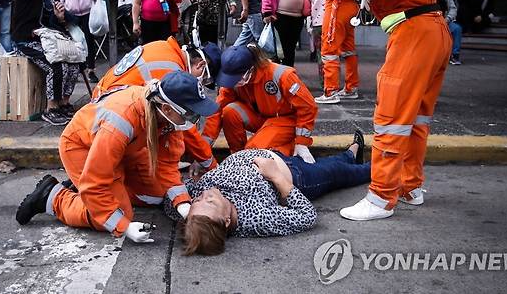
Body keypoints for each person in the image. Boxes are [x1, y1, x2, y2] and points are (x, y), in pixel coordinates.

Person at [339, 0, 451, 221]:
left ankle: (380, 197)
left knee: (391, 117)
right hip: (431, 33)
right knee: (415, 120)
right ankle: (408, 186)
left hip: (414, 35)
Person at [15, 71, 219, 244]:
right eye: (191, 113)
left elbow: (166, 165)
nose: (193, 119)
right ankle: (52, 197)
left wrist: (183, 205)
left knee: (156, 194)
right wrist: (124, 226)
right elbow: (95, 180)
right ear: (167, 109)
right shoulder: (122, 120)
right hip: (81, 148)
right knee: (118, 213)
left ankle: (102, 188)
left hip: (122, 150)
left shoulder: (167, 117)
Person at [170, 131, 369, 255]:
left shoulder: (196, 209)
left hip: (271, 154)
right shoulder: (257, 220)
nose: (206, 195)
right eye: (210, 203)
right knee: (342, 173)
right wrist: (276, 177)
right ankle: (382, 162)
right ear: (226, 220)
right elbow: (307, 216)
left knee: (332, 165)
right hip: (295, 175)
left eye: (197, 200)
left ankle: (350, 154)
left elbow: (169, 196)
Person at [93, 37, 223, 171]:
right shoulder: (171, 71)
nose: (200, 85)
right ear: (200, 65)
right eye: (205, 81)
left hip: (104, 102)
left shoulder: (165, 49)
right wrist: (209, 163)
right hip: (109, 116)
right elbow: (184, 126)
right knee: (172, 125)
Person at [11, 0, 88, 126]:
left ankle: (64, 104)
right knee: (56, 64)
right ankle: (51, 108)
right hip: (26, 41)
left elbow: (64, 22)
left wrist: (60, 18)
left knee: (73, 63)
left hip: (45, 37)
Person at [202, 44, 318, 162]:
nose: (234, 83)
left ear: (251, 69)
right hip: (261, 119)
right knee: (229, 111)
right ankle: (238, 157)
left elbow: (307, 106)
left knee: (254, 149)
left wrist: (301, 142)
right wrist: (204, 150)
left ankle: (282, 149)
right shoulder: (233, 79)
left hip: (285, 121)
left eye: (237, 79)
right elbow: (217, 109)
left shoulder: (282, 75)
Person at [58, 0, 100, 83]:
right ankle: (76, 70)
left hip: (88, 12)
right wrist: (62, 12)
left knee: (89, 40)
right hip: (71, 13)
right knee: (73, 42)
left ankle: (91, 70)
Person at [305, 0, 326, 84]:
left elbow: (306, 11)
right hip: (331, 24)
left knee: (320, 54)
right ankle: (333, 82)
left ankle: (324, 82)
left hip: (317, 25)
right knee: (333, 55)